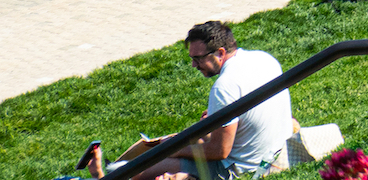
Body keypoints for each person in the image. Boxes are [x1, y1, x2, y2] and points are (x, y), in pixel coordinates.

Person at [82, 21, 294, 179]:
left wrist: (175, 149)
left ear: (219, 52)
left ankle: (105, 174)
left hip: (240, 168)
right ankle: (116, 167)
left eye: (198, 58)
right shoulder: (264, 58)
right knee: (183, 138)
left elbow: (219, 152)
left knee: (157, 159)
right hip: (275, 149)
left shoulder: (225, 86)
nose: (194, 65)